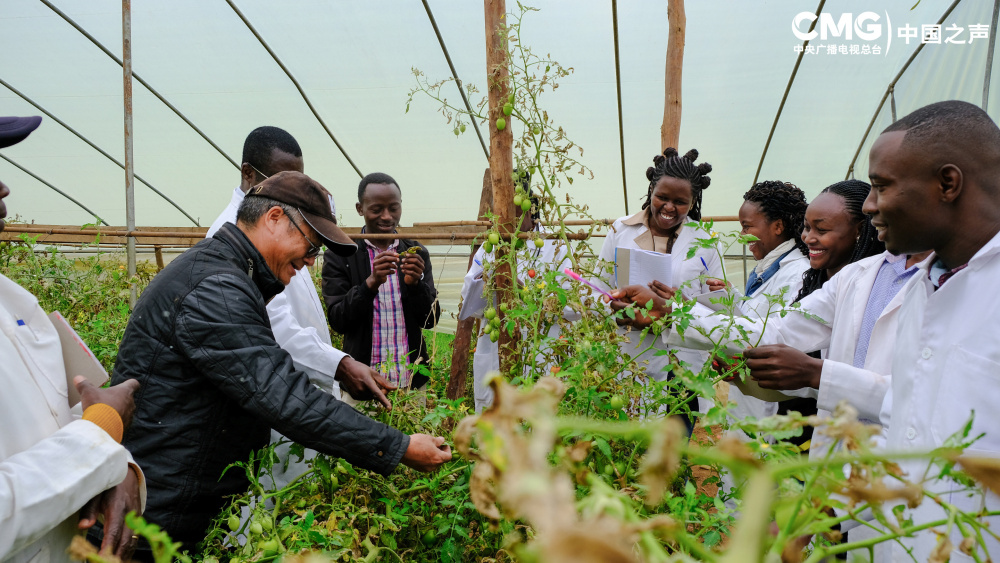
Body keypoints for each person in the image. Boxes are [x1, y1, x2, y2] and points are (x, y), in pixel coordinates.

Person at [111, 171, 451, 551]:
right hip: (156, 521)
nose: (309, 260)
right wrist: (399, 446)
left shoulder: (230, 275)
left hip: (179, 505)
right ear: (273, 218)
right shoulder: (217, 289)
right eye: (310, 245)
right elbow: (285, 396)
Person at [206, 126, 390, 494]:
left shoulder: (282, 231)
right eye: (278, 178)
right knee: (265, 505)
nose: (287, 188)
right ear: (248, 174)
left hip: (301, 392)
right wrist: (339, 364)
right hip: (278, 400)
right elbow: (276, 331)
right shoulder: (229, 238)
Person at [0, 115, 146, 562]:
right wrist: (100, 432)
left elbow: (52, 421)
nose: (4, 188)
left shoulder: (14, 301)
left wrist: (114, 465)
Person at [862, 100, 1000, 562]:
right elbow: (903, 419)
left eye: (881, 186)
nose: (869, 205)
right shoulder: (927, 284)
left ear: (948, 183)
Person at [597, 148, 724, 427]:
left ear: (693, 202)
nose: (669, 207)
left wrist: (679, 304)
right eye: (662, 197)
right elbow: (597, 288)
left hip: (682, 362)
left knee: (674, 449)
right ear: (651, 190)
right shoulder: (621, 230)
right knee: (630, 442)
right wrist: (613, 307)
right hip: (629, 352)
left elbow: (718, 308)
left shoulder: (705, 242)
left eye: (680, 202)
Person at [459, 173, 573, 412]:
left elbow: (573, 303)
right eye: (497, 213)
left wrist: (527, 294)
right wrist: (486, 283)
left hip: (539, 348)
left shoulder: (554, 245)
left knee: (535, 421)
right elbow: (468, 297)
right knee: (495, 422)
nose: (502, 220)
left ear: (529, 210)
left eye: (509, 212)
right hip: (493, 348)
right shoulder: (489, 246)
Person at [322, 172, 440, 391]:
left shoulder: (416, 253)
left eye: (393, 208)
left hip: (410, 384)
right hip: (363, 384)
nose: (387, 216)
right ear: (360, 209)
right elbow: (338, 321)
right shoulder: (341, 255)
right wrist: (370, 284)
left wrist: (416, 286)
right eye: (377, 209)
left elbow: (430, 320)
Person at [723, 180, 810, 423]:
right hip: (749, 394)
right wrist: (732, 299)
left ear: (778, 226)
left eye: (747, 226)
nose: (742, 236)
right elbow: (757, 318)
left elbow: (777, 335)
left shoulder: (797, 274)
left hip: (768, 406)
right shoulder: (767, 270)